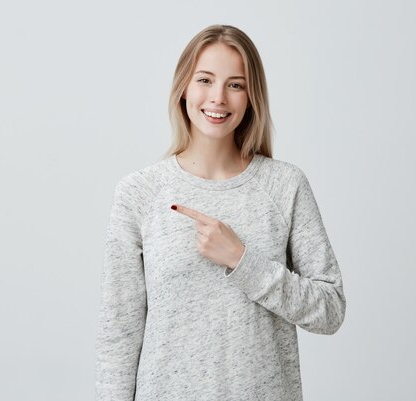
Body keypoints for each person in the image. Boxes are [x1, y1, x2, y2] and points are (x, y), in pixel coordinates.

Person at [94, 24, 346, 401]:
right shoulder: (139, 193)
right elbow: (119, 332)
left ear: (251, 97)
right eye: (205, 80)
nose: (218, 98)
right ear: (183, 87)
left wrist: (243, 261)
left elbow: (330, 310)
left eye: (235, 84)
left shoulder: (284, 186)